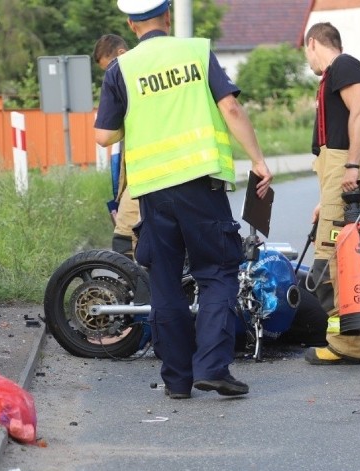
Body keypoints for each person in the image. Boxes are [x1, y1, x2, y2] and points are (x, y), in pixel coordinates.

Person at [94, 0, 272, 398]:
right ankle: (212, 367)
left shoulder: (121, 70)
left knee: (165, 284)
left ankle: (177, 380)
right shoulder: (195, 52)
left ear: (130, 23)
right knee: (217, 272)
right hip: (201, 187)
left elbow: (103, 136)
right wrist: (258, 161)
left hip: (153, 192)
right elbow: (230, 107)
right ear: (167, 16)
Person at [301, 22, 360, 366]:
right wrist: (326, 200)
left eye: (306, 53)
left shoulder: (345, 66)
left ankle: (348, 344)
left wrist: (351, 166)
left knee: (331, 264)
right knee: (352, 257)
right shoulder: (334, 75)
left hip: (346, 172)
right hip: (338, 175)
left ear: (313, 44)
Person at [93, 34, 138, 259]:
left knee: (125, 241)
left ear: (121, 54)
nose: (110, 72)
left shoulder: (124, 75)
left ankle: (140, 293)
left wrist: (125, 126)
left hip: (146, 177)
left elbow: (103, 137)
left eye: (109, 66)